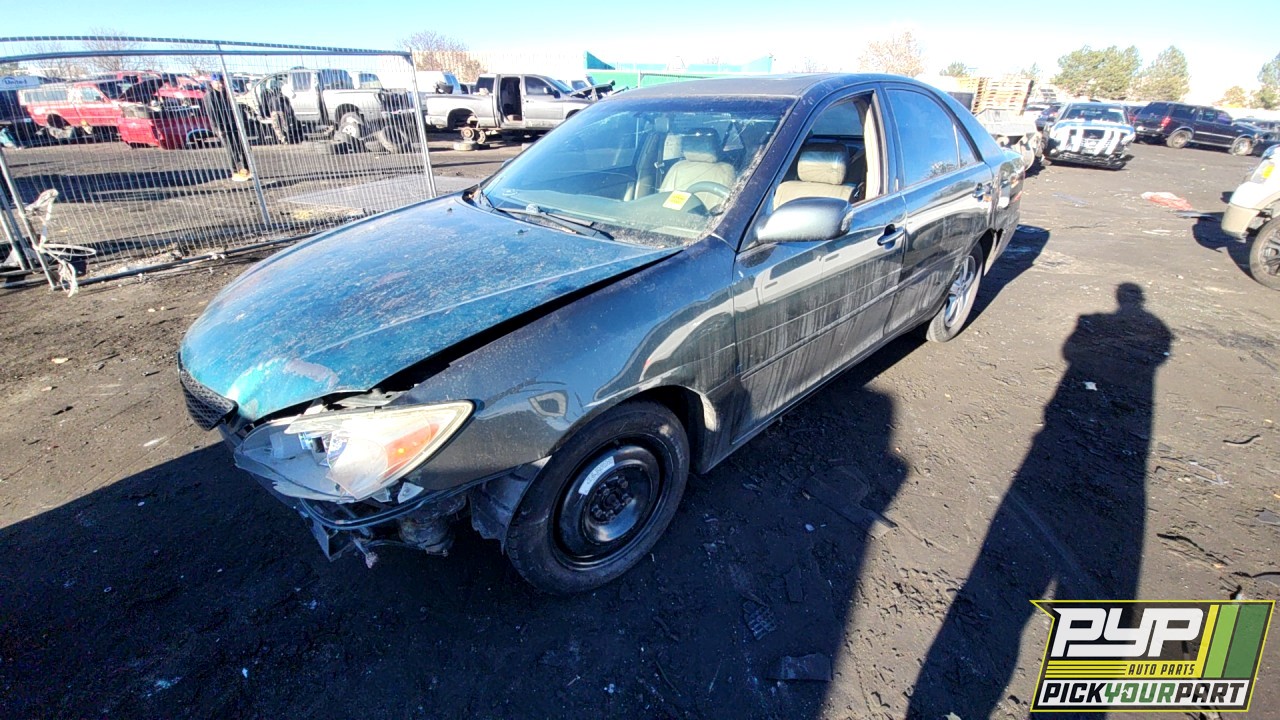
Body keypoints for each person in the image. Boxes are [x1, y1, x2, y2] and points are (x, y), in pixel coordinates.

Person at [201, 74, 251, 182]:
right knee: (231, 149)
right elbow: (212, 115)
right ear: (212, 83)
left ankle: (246, 169)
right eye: (217, 83)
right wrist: (219, 129)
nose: (220, 85)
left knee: (242, 146)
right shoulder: (210, 96)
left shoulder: (227, 94)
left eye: (222, 82)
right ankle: (235, 171)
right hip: (222, 127)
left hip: (233, 125)